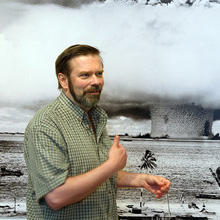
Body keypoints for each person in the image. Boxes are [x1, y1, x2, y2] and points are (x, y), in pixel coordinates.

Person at [24, 44, 171, 220]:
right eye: (85, 75)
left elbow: (95, 174)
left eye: (99, 73)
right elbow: (56, 196)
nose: (96, 81)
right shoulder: (45, 125)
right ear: (63, 80)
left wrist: (139, 180)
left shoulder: (95, 116)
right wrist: (112, 165)